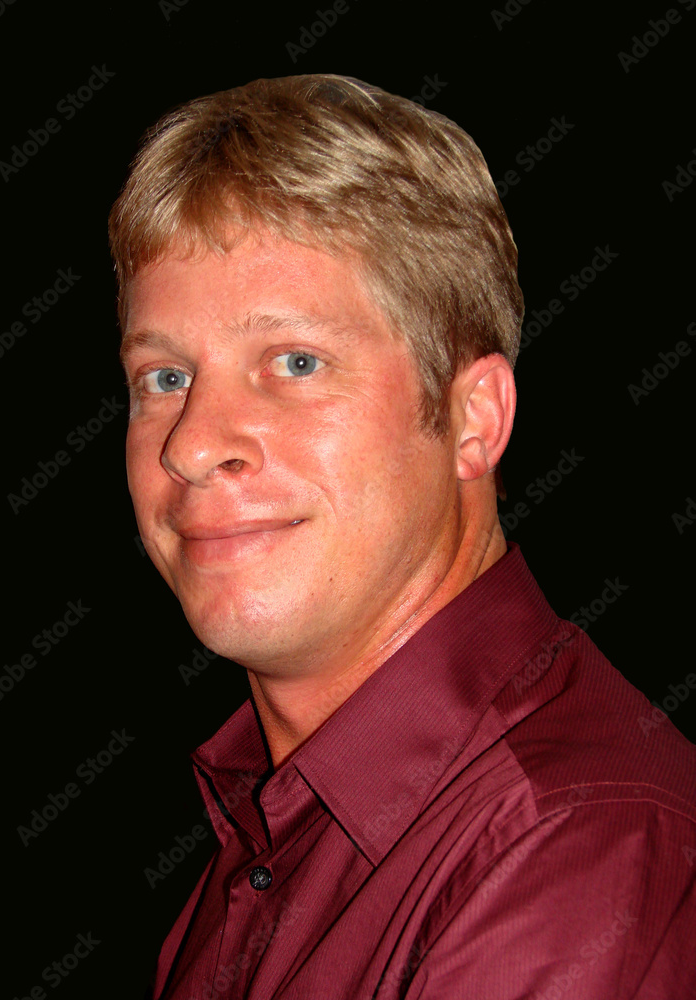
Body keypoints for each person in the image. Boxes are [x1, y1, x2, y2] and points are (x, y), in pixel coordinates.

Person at [109, 75, 696, 1000]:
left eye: (295, 362)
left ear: (474, 419)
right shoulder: (276, 819)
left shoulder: (571, 848)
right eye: (164, 377)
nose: (193, 445)